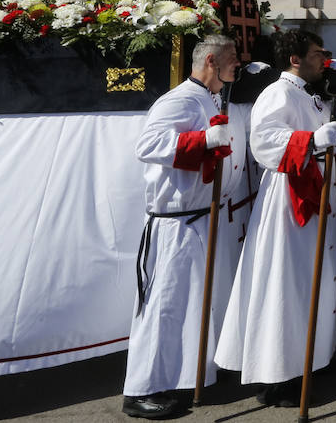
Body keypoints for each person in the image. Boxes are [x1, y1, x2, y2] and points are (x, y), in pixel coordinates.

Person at [216, 30, 336, 408]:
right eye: (318, 53)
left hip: (313, 189)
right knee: (284, 283)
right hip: (289, 199)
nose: (324, 60)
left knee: (312, 281)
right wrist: (314, 141)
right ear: (295, 59)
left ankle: (311, 356)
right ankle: (276, 374)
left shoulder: (305, 93)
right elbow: (265, 142)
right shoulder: (278, 92)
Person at [122, 36, 242, 420]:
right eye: (232, 60)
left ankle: (189, 375)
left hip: (198, 218)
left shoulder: (207, 98)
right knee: (163, 308)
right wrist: (205, 139)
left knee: (193, 305)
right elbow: (147, 144)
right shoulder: (180, 100)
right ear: (211, 61)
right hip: (174, 223)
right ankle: (142, 390)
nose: (237, 65)